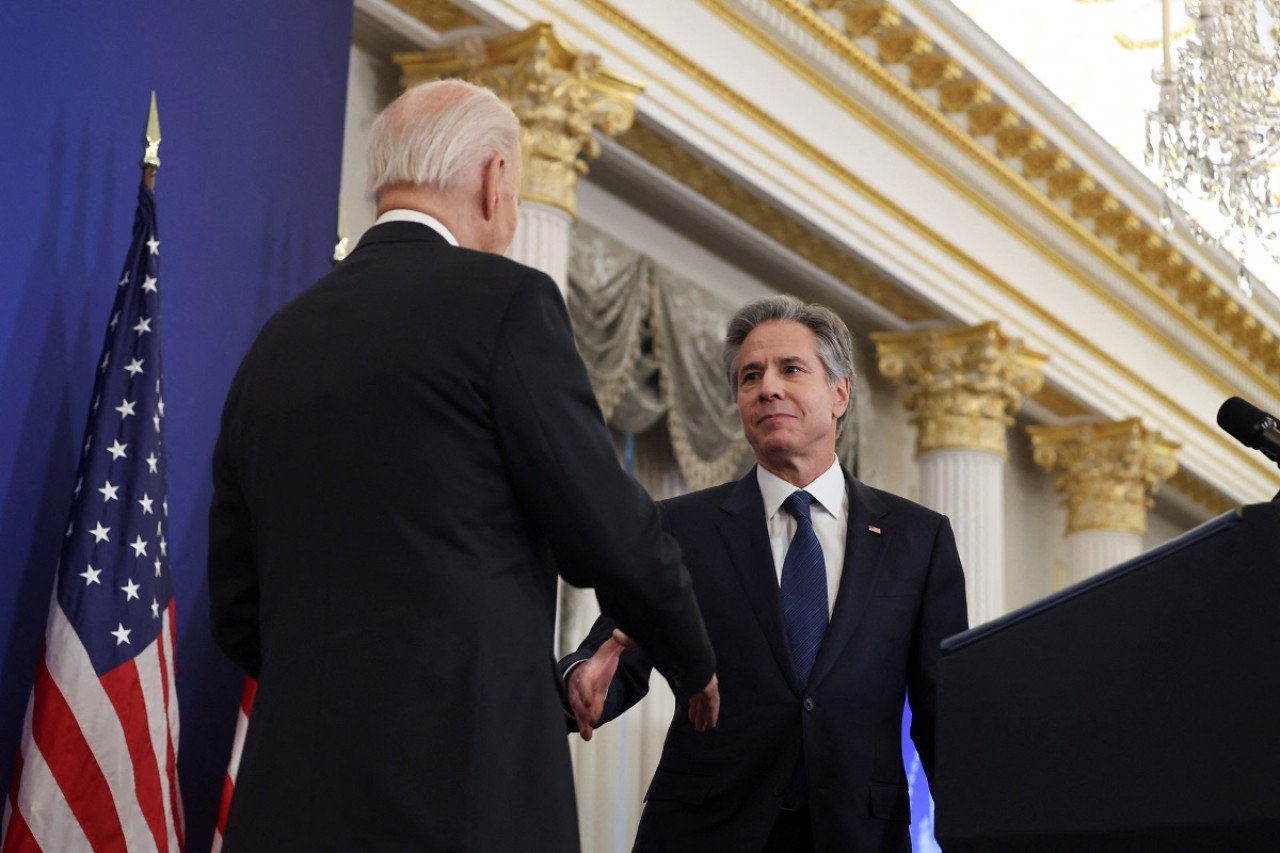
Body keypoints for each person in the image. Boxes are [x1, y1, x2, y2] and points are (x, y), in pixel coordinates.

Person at [207, 79, 718, 853]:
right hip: (460, 802)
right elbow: (608, 530)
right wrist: (693, 657)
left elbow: (238, 606)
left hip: (289, 804)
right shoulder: (506, 303)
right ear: (493, 179)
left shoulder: (276, 342)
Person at [561, 295, 968, 852]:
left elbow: (945, 712)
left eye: (791, 370)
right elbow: (612, 657)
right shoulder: (681, 526)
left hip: (858, 834)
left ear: (840, 393)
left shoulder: (919, 539)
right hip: (704, 831)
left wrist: (982, 829)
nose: (767, 387)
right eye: (750, 376)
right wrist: (580, 681)